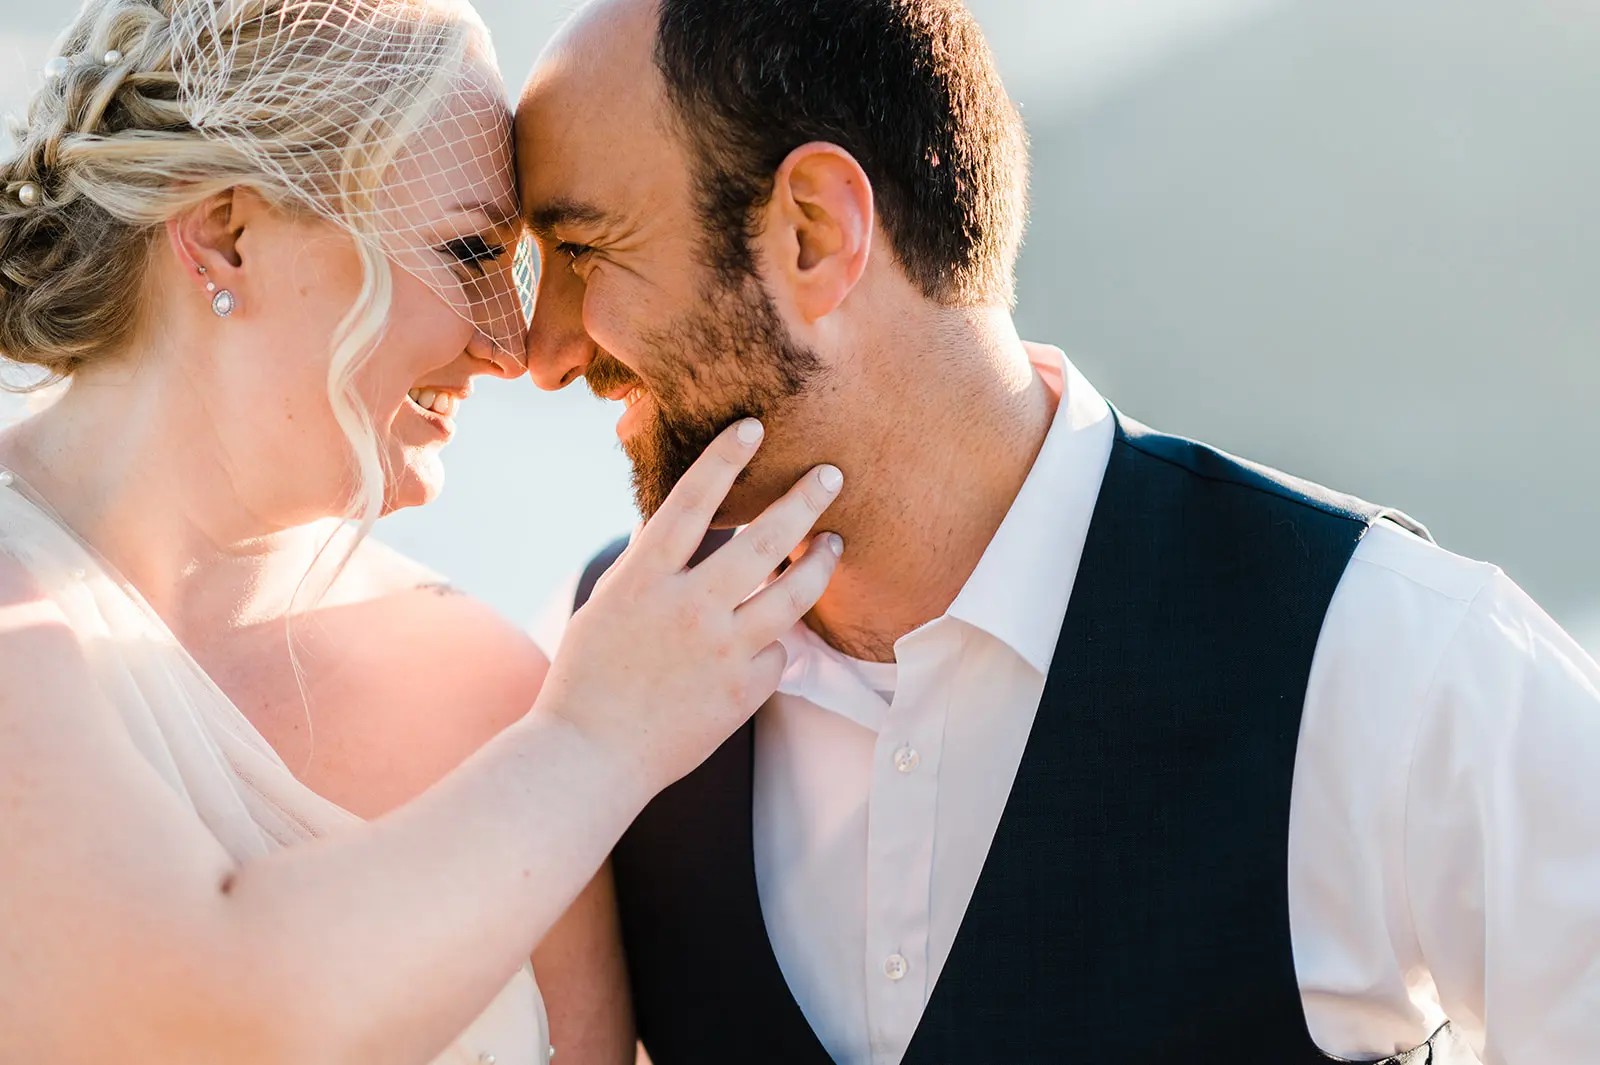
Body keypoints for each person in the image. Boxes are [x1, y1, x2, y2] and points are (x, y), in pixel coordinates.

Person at [517, 1, 1600, 1062]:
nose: (544, 350)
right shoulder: (589, 673)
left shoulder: (1391, 659)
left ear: (816, 232)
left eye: (579, 246)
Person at [0, 1, 846, 1063]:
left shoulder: (484, 681)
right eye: (467, 251)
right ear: (226, 236)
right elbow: (200, 1014)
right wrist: (594, 742)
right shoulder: (17, 627)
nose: (509, 349)